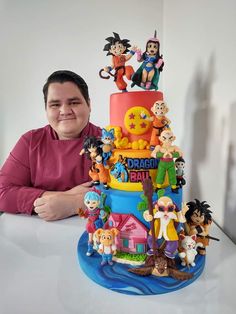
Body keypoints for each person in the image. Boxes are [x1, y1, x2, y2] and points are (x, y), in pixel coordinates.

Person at [0, 70, 101, 221]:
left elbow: (133, 195)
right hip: (37, 234)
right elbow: (3, 193)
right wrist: (64, 197)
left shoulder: (109, 142)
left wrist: (75, 203)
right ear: (46, 109)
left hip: (98, 235)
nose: (65, 111)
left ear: (89, 105)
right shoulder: (30, 141)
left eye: (74, 102)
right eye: (55, 104)